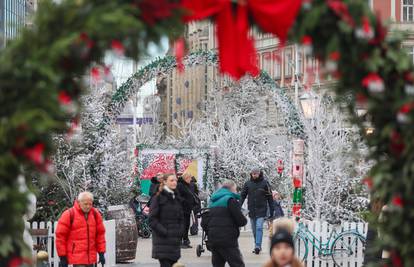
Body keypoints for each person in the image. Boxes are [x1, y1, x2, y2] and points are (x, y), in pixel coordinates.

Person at [56, 191, 106, 267]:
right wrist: (62, 256)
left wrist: (101, 253)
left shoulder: (95, 214)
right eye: (85, 204)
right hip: (77, 258)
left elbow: (100, 235)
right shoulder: (69, 214)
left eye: (90, 204)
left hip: (91, 259)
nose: (88, 206)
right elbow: (60, 237)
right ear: (79, 202)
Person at [207, 179, 247, 267]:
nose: (236, 191)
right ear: (232, 189)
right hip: (227, 238)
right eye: (236, 189)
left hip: (213, 238)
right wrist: (244, 217)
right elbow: (241, 221)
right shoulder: (230, 200)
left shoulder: (213, 201)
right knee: (237, 264)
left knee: (218, 264)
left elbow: (206, 221)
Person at [149, 174, 184, 267]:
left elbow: (181, 217)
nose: (175, 182)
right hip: (163, 241)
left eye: (175, 180)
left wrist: (180, 231)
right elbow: (152, 219)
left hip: (175, 241)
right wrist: (165, 231)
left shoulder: (176, 197)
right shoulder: (158, 197)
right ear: (164, 182)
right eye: (172, 180)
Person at [240, 168, 274, 254]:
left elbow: (270, 198)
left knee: (259, 227)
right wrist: (238, 205)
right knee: (254, 229)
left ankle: (257, 246)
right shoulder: (248, 184)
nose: (254, 175)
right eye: (253, 174)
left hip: (262, 209)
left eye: (256, 174)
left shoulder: (265, 183)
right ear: (251, 174)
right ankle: (257, 245)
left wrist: (272, 210)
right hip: (251, 209)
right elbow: (242, 196)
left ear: (259, 174)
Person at [177, 172, 200, 248]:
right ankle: (179, 242)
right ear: (186, 178)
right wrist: (184, 201)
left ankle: (186, 241)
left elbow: (192, 194)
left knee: (186, 225)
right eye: (190, 178)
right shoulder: (180, 185)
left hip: (188, 208)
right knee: (182, 225)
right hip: (181, 208)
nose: (191, 179)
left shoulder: (188, 185)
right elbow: (178, 196)